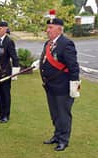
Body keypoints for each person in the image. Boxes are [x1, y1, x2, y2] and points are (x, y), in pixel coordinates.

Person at [39, 18, 80, 151]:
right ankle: (56, 136)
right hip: (50, 86)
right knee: (55, 114)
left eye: (50, 28)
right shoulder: (48, 43)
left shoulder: (66, 43)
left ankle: (63, 140)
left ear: (59, 29)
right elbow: (45, 59)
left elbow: (73, 67)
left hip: (63, 87)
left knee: (63, 114)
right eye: (48, 27)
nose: (47, 30)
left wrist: (75, 86)